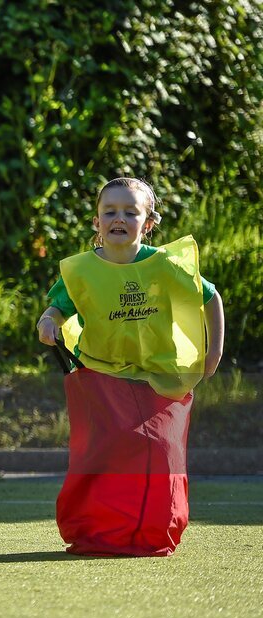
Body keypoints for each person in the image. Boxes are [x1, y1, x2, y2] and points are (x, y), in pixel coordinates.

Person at [37, 177, 225, 556]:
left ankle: (155, 529)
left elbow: (210, 297)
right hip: (100, 376)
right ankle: (97, 531)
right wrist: (49, 320)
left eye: (129, 212)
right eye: (109, 211)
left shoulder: (165, 265)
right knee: (101, 453)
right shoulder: (81, 270)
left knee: (159, 451)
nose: (118, 218)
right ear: (96, 222)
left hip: (158, 378)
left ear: (149, 222)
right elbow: (59, 306)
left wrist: (213, 352)